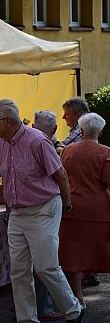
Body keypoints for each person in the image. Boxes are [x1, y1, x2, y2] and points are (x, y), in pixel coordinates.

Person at [0, 99, 84, 323]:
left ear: (8, 121)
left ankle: (73, 309)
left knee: (45, 266)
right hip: (19, 213)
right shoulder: (2, 142)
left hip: (43, 208)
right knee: (19, 271)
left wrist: (66, 204)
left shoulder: (37, 140)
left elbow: (60, 174)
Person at [59, 112, 110, 309]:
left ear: (81, 130)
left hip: (73, 209)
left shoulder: (68, 151)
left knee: (75, 253)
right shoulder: (106, 152)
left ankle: (77, 295)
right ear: (101, 131)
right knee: (103, 250)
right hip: (100, 211)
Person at [30, 110, 64, 321]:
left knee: (27, 265)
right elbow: (60, 174)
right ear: (54, 129)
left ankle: (25, 307)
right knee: (46, 262)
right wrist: (67, 201)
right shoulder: (44, 144)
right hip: (42, 208)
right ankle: (48, 307)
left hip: (25, 209)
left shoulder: (26, 141)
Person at [61, 98, 99, 287]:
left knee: (77, 243)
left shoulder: (75, 141)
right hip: (91, 201)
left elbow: (62, 152)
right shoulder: (103, 151)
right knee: (88, 240)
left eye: (67, 114)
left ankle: (79, 291)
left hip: (77, 198)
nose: (64, 117)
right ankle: (89, 273)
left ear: (78, 117)